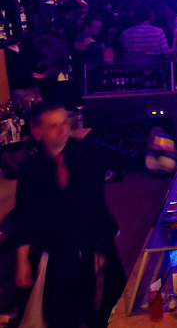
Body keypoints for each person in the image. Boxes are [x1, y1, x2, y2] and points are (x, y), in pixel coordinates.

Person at [13, 102, 125, 327]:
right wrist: (22, 261)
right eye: (53, 126)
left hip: (97, 243)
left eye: (65, 122)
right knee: (62, 314)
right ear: (37, 131)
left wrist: (100, 247)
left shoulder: (88, 153)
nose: (63, 129)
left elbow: (98, 201)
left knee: (112, 305)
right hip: (59, 250)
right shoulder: (31, 168)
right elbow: (25, 215)